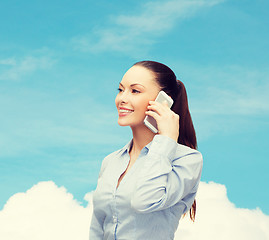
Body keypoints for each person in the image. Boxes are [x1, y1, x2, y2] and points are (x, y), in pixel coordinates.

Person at [89, 60, 203, 240]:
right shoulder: (111, 161)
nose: (122, 99)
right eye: (120, 90)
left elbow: (144, 201)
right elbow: (97, 228)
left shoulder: (187, 160)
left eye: (135, 91)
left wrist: (166, 140)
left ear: (164, 101)